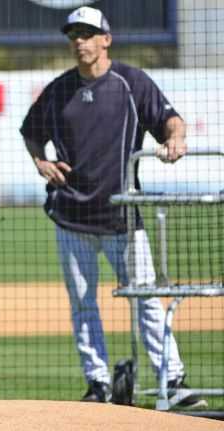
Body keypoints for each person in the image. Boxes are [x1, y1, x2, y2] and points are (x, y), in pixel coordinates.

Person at [20, 6, 206, 407]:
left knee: (147, 300)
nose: (80, 41)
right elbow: (30, 133)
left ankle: (172, 380)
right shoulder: (58, 90)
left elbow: (171, 120)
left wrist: (175, 139)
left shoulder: (131, 82)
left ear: (106, 38)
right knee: (83, 305)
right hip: (71, 217)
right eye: (74, 35)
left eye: (88, 34)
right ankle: (98, 383)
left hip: (122, 216)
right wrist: (41, 162)